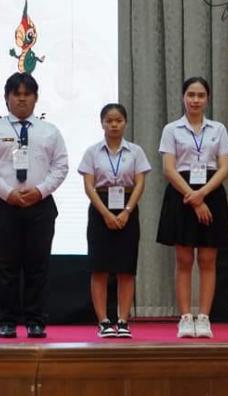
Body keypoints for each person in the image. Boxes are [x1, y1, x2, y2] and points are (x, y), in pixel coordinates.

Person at [0, 72, 69, 339]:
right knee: (5, 267)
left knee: (37, 266)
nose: (21, 99)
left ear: (36, 98)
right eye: (16, 94)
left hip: (40, 206)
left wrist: (40, 191)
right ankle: (7, 320)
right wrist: (8, 193)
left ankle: (35, 321)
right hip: (3, 206)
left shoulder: (50, 131)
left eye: (27, 94)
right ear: (6, 98)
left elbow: (61, 166)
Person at [156, 76, 228, 339]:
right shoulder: (172, 129)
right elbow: (169, 169)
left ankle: (204, 318)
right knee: (184, 259)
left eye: (200, 95)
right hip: (182, 193)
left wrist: (202, 194)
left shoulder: (218, 129)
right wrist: (193, 196)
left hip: (210, 192)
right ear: (183, 97)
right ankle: (186, 317)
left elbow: (224, 168)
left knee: (208, 260)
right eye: (191, 95)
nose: (195, 100)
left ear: (207, 98)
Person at [78, 103, 150, 339]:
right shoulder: (92, 152)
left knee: (126, 269)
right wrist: (106, 214)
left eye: (118, 120)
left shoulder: (136, 151)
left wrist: (127, 211)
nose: (114, 125)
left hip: (128, 208)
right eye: (109, 121)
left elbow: (140, 183)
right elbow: (89, 186)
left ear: (125, 123)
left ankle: (123, 320)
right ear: (102, 123)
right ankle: (103, 321)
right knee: (99, 268)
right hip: (100, 208)